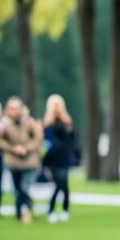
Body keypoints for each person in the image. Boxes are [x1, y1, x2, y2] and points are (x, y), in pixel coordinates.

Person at [0, 97, 42, 223]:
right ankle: (19, 212)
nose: (14, 111)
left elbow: (37, 138)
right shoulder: (3, 124)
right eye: (11, 108)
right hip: (13, 161)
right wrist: (13, 148)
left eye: (16, 108)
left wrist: (26, 148)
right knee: (16, 189)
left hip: (28, 161)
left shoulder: (29, 122)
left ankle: (28, 209)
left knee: (24, 187)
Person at [42, 94, 79, 222]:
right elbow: (47, 140)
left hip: (64, 157)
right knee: (59, 184)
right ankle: (54, 209)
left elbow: (72, 141)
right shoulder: (47, 123)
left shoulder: (67, 122)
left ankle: (62, 209)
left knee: (63, 184)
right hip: (53, 158)